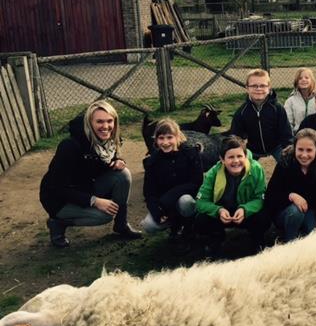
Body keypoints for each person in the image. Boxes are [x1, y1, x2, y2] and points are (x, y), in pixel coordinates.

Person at [39, 100, 142, 248]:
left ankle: (121, 225)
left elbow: (103, 160)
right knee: (104, 216)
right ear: (89, 123)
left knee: (122, 175)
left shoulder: (110, 139)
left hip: (85, 186)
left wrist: (118, 160)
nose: (105, 127)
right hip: (59, 199)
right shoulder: (70, 146)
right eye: (99, 121)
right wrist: (95, 201)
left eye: (109, 121)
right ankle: (58, 223)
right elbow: (57, 188)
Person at [194, 136, 270, 258]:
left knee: (264, 216)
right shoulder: (213, 172)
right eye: (230, 157)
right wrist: (218, 210)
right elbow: (200, 202)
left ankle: (257, 240)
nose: (236, 161)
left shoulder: (256, 169)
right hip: (223, 213)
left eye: (239, 156)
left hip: (245, 212)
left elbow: (260, 198)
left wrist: (245, 209)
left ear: (245, 156)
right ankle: (216, 238)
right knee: (201, 220)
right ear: (222, 159)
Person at [140, 118, 202, 244]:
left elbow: (197, 182)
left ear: (177, 137)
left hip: (187, 200)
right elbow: (149, 192)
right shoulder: (152, 161)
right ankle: (175, 227)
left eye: (169, 137)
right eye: (161, 138)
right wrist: (156, 210)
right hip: (166, 207)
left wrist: (168, 198)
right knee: (149, 225)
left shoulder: (190, 153)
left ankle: (189, 228)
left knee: (186, 201)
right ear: (156, 140)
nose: (165, 142)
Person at [264, 128, 316, 242]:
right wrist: (291, 196)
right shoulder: (285, 162)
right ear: (294, 148)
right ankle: (289, 242)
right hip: (285, 211)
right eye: (300, 149)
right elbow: (270, 195)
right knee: (295, 212)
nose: (304, 155)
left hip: (310, 210)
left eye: (309, 150)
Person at [230, 68, 293, 162]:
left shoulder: (277, 108)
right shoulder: (242, 111)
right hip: (253, 149)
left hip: (276, 147)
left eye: (263, 85)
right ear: (247, 88)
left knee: (289, 164)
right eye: (254, 86)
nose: (258, 89)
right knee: (242, 168)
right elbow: (235, 136)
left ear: (269, 88)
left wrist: (288, 149)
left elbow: (286, 133)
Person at [284, 67, 316, 132]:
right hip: (297, 135)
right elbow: (287, 123)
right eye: (300, 78)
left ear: (312, 80)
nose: (303, 80)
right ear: (296, 81)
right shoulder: (290, 101)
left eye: (306, 78)